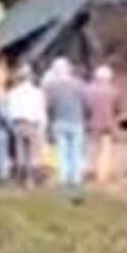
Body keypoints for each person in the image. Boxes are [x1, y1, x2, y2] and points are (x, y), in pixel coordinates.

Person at [44, 58, 89, 193]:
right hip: (76, 121)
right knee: (76, 151)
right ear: (69, 69)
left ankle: (64, 178)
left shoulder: (51, 86)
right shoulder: (79, 84)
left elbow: (48, 106)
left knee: (62, 152)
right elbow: (85, 103)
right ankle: (76, 179)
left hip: (59, 122)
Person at [4, 65, 48, 186]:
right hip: (32, 124)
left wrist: (11, 126)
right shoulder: (37, 92)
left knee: (20, 151)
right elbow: (41, 110)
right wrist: (42, 126)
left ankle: (21, 178)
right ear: (30, 77)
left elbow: (9, 111)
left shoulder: (12, 93)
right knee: (33, 152)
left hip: (18, 123)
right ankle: (31, 179)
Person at [84, 65, 122, 183]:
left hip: (93, 123)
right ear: (109, 78)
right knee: (105, 151)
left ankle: (91, 171)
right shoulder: (115, 91)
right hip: (108, 124)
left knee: (92, 149)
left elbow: (86, 108)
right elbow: (118, 109)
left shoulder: (88, 90)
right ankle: (102, 175)